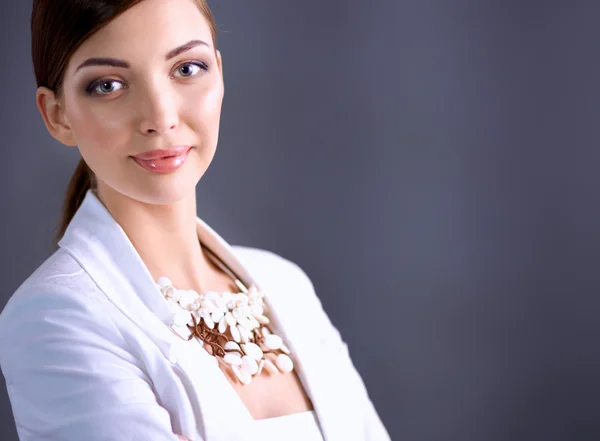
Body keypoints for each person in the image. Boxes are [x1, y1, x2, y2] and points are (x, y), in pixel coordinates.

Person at [0, 0, 391, 440]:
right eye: (108, 84)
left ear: (219, 74)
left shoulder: (286, 286)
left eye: (187, 69)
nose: (160, 118)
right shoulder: (55, 319)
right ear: (57, 115)